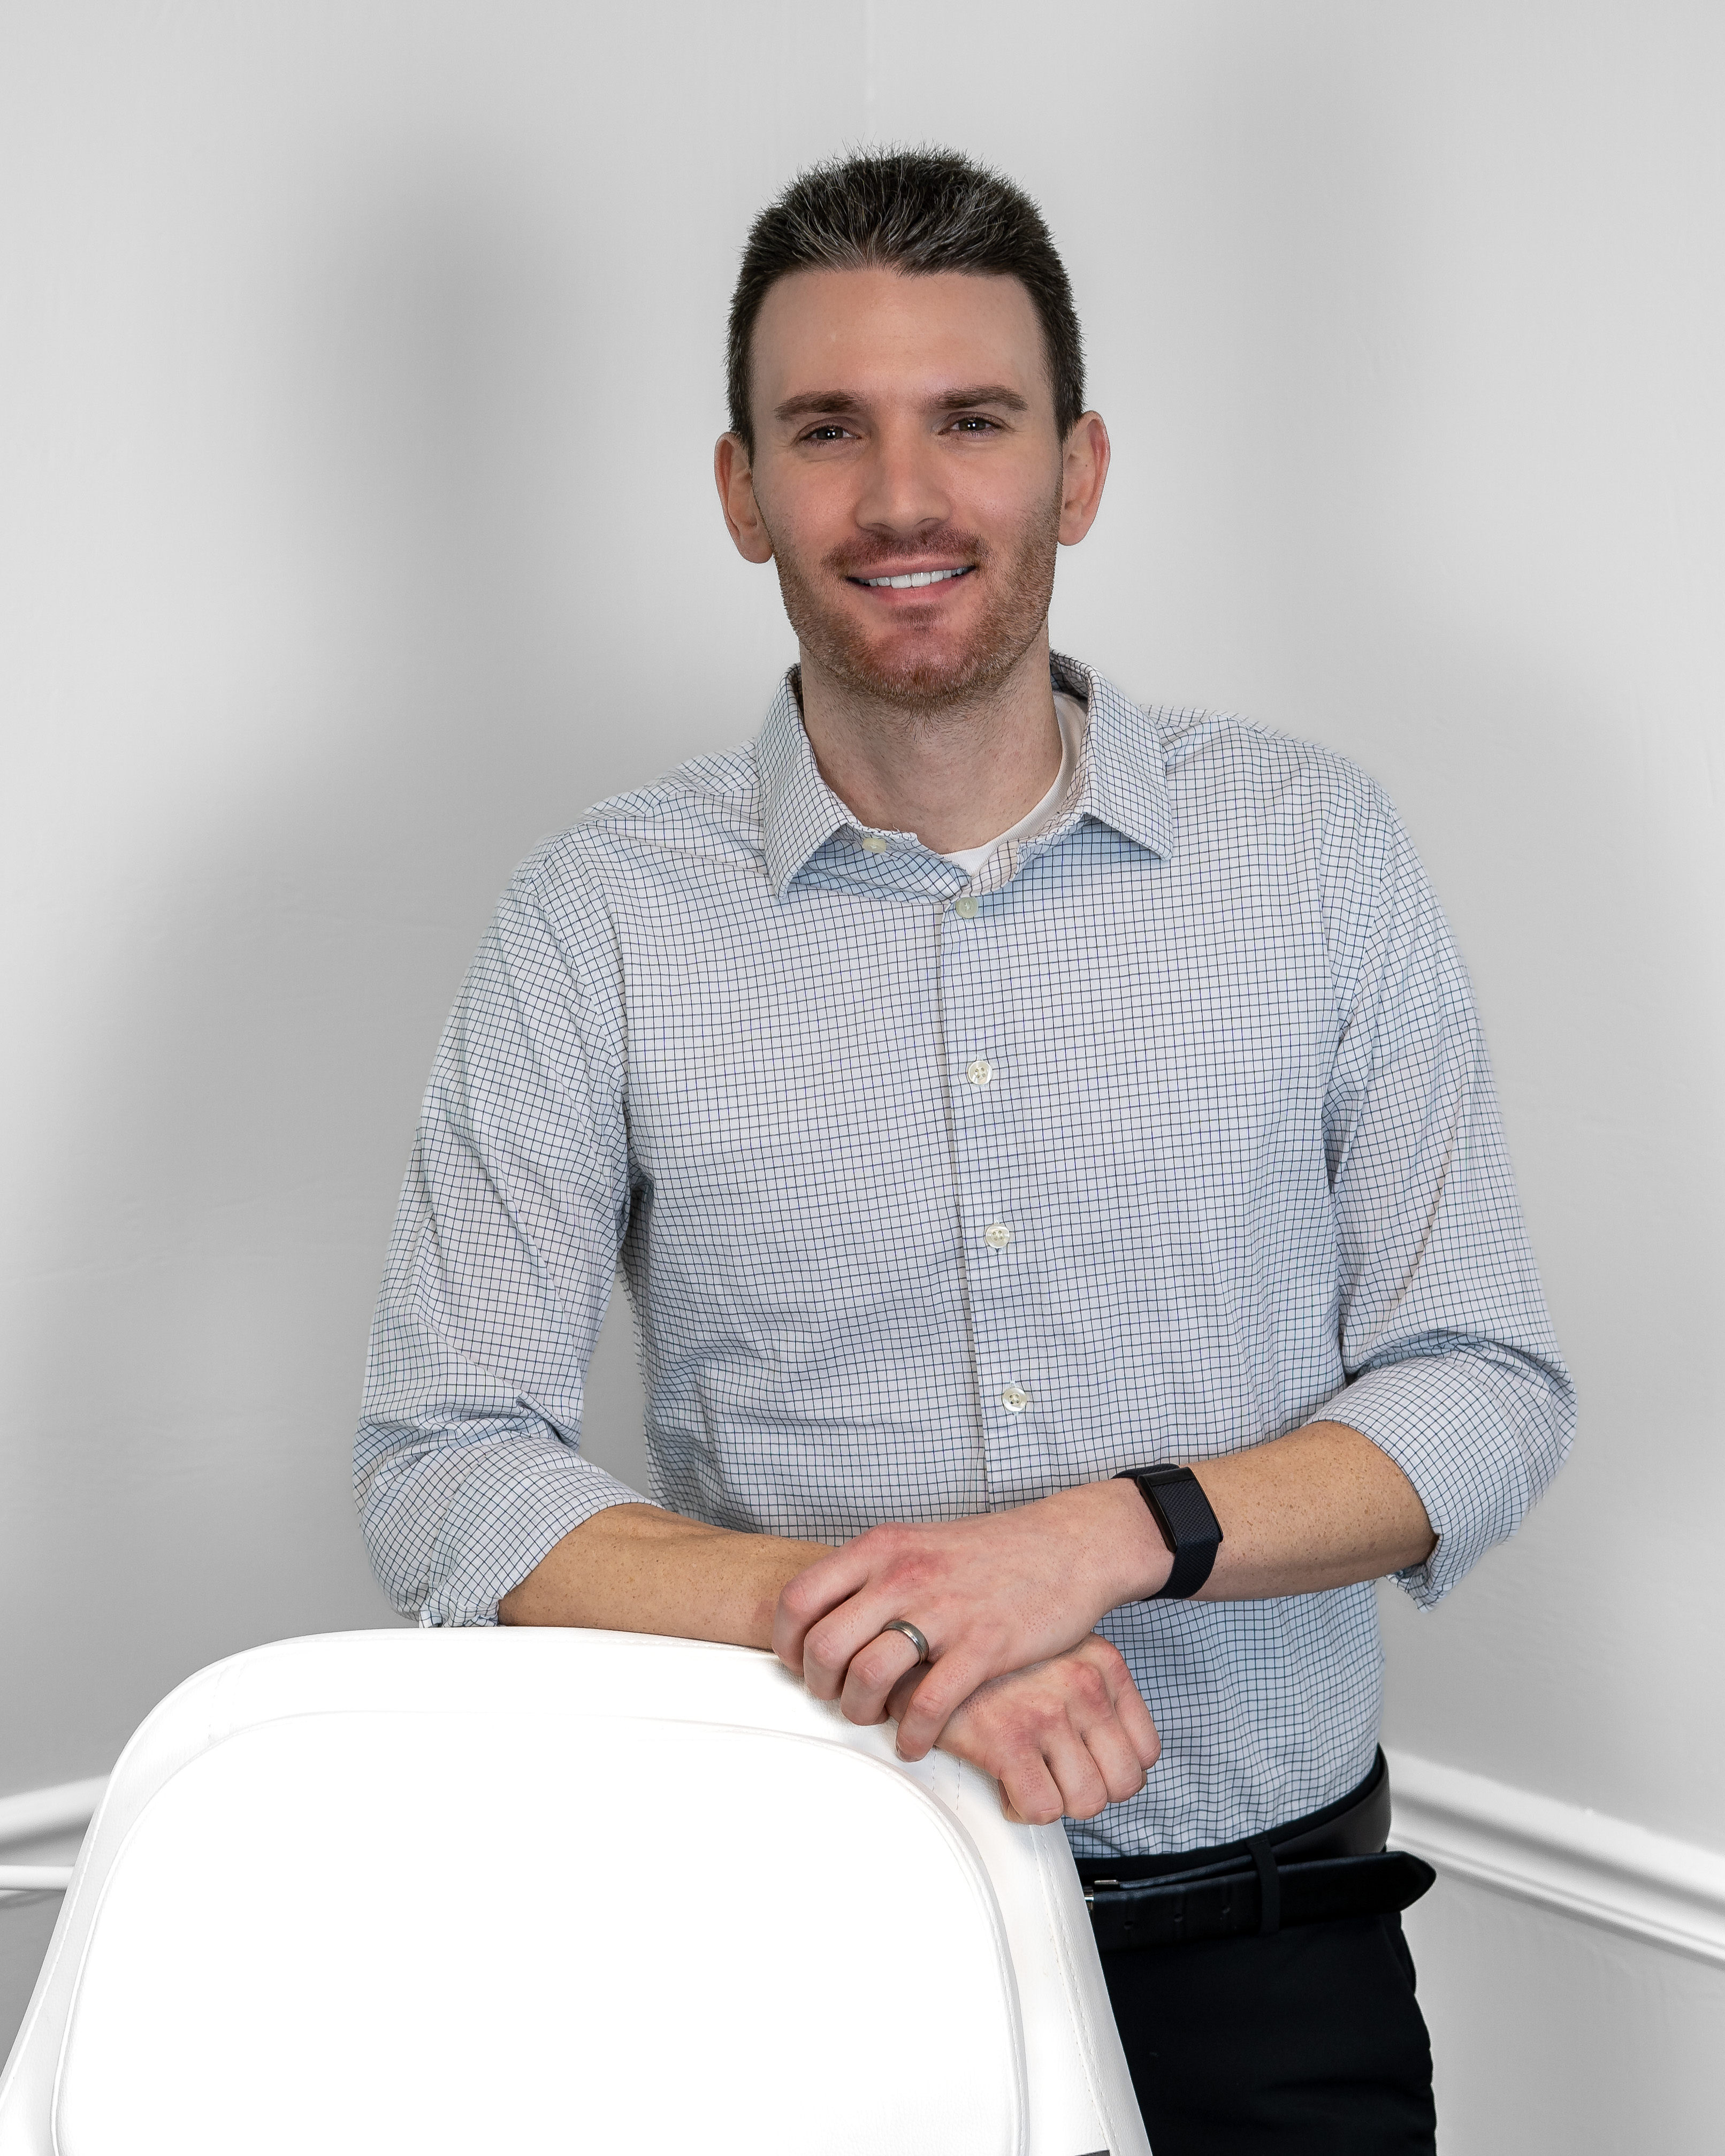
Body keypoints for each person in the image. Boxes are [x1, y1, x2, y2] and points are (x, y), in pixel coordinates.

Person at [356, 148, 1573, 2154]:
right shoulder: (601, 918)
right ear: (742, 488)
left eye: (973, 423)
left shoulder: (1320, 857)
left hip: (1270, 1960)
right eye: (828, 430)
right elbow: (444, 1466)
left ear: (1077, 470)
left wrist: (1094, 1543)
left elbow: (1483, 1393)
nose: (903, 497)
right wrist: (901, 1637)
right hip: (802, 1936)